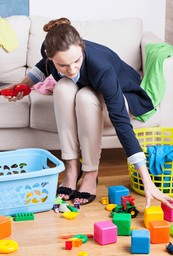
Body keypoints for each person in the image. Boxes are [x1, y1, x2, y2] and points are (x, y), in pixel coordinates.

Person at [6, 17, 173, 208]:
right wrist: (23, 85)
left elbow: (121, 122)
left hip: (124, 98)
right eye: (63, 65)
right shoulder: (48, 49)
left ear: (82, 47)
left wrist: (148, 181)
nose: (72, 69)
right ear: (50, 55)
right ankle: (71, 168)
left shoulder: (101, 68)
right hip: (89, 88)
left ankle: (91, 173)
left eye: (77, 61)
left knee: (85, 96)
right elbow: (43, 65)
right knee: (62, 87)